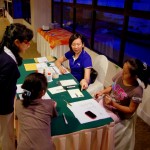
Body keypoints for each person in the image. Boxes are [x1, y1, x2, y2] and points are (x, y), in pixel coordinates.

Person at [0, 23, 33, 150]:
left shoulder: (5, 51)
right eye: (27, 42)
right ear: (17, 42)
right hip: (3, 106)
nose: (29, 45)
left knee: (6, 132)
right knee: (6, 134)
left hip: (6, 100)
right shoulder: (8, 63)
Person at [95, 58, 150, 123]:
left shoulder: (137, 91)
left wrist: (113, 104)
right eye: (122, 70)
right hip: (107, 104)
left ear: (135, 76)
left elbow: (131, 110)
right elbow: (112, 87)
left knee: (101, 122)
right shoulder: (121, 74)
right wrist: (102, 92)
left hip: (117, 113)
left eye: (125, 73)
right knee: (92, 108)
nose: (122, 73)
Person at [15, 72, 57, 150]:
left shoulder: (17, 104)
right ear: (43, 92)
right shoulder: (49, 104)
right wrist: (52, 105)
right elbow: (53, 115)